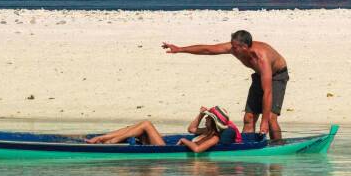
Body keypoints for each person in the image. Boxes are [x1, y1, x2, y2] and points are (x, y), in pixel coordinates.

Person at [162, 30, 288, 140]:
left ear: (244, 47)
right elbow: (208, 49)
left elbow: (267, 92)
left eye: (235, 47)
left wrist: (264, 122)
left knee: (270, 118)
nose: (232, 49)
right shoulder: (234, 47)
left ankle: (277, 145)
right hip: (259, 75)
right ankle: (245, 146)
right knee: (248, 118)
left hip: (277, 76)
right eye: (232, 45)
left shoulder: (261, 58)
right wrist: (180, 49)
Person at [85, 106, 243, 153]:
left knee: (146, 124)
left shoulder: (214, 137)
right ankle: (103, 138)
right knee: (134, 127)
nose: (206, 119)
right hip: (168, 146)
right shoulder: (207, 132)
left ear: (213, 122)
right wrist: (201, 114)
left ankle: (110, 142)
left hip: (165, 149)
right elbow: (192, 129)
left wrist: (184, 141)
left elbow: (197, 150)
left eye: (208, 118)